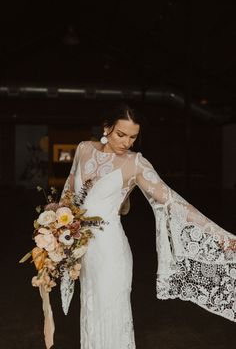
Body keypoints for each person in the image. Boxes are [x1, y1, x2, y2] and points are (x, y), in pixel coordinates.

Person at [63, 103, 236, 349]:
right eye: (121, 134)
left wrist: (217, 234)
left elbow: (172, 202)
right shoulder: (83, 149)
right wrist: (57, 232)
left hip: (110, 252)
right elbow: (68, 195)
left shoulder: (136, 163)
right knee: (90, 310)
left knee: (110, 314)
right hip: (83, 250)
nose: (126, 142)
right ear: (106, 128)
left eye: (133, 137)